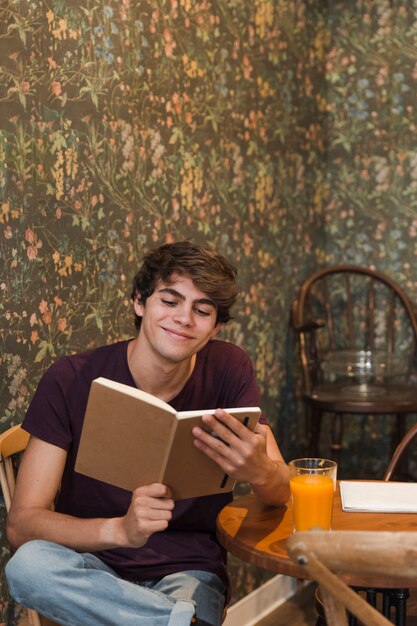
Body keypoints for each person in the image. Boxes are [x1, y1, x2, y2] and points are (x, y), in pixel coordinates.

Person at [5, 241, 290, 626]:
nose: (184, 318)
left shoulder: (228, 368)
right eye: (170, 301)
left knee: (184, 600)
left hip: (186, 572)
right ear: (140, 302)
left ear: (215, 327)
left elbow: (283, 490)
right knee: (28, 567)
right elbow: (22, 526)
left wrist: (260, 471)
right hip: (90, 570)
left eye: (202, 310)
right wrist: (120, 530)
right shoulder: (70, 379)